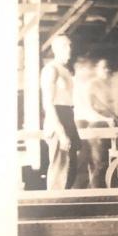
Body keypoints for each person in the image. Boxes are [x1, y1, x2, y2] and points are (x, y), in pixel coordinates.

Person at [40, 34, 81, 190]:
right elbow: (48, 104)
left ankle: (64, 208)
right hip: (57, 119)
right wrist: (61, 132)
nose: (69, 49)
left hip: (68, 116)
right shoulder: (51, 69)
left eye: (70, 45)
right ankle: (53, 208)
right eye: (64, 45)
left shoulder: (66, 70)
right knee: (60, 170)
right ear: (55, 49)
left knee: (71, 169)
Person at [74, 58, 116, 188]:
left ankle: (100, 190)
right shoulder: (92, 84)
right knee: (98, 163)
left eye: (108, 67)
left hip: (103, 125)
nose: (106, 70)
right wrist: (107, 120)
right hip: (95, 126)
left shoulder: (105, 84)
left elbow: (106, 107)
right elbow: (90, 108)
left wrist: (112, 118)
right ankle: (96, 192)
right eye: (103, 67)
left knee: (102, 162)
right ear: (97, 69)